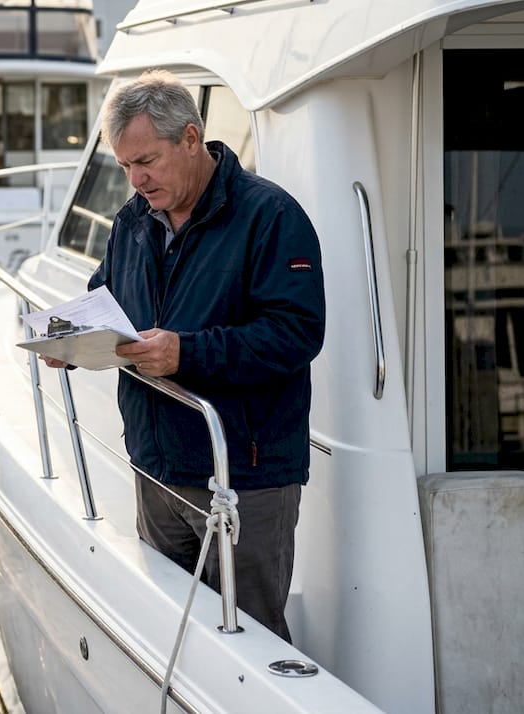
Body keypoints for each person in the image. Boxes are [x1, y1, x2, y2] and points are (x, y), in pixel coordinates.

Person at [41, 70, 324, 642]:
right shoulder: (132, 221)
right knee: (169, 633)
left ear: (192, 139)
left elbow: (297, 334)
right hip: (156, 468)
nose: (135, 178)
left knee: (249, 643)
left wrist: (184, 353)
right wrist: (67, 340)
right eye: (124, 166)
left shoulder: (271, 217)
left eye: (146, 160)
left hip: (241, 476)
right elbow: (106, 302)